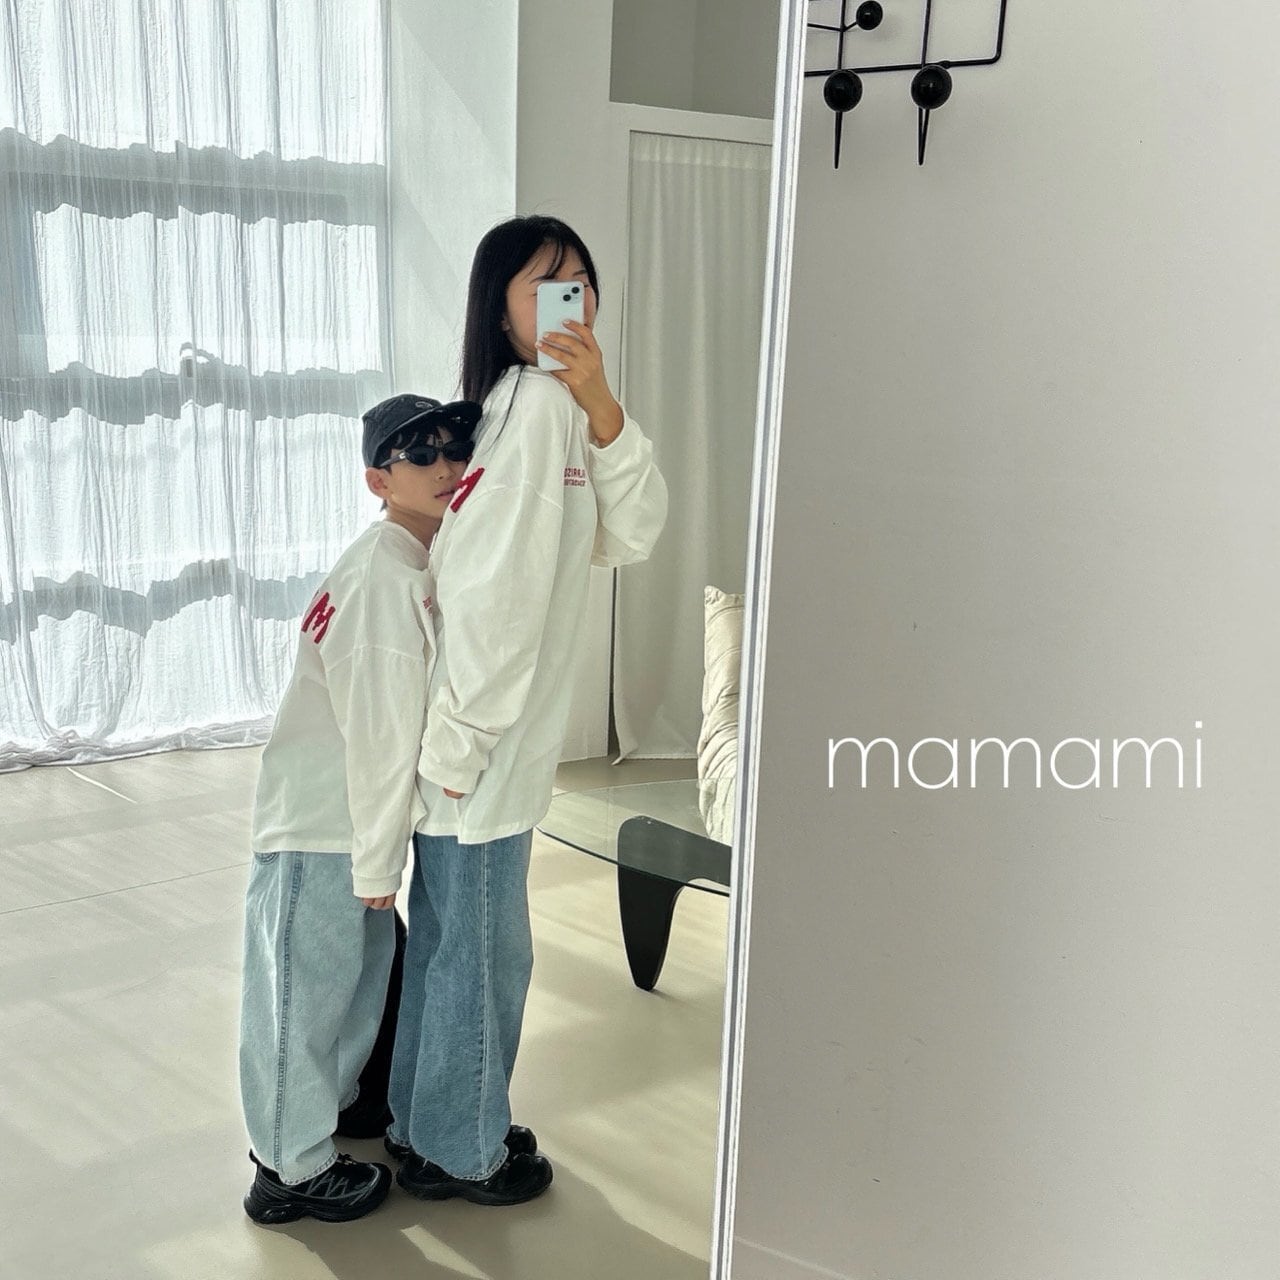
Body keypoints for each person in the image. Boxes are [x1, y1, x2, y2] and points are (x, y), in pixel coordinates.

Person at [386, 216, 669, 1207]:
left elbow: (627, 535)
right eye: (546, 285)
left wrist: (604, 407)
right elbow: (496, 596)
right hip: (480, 742)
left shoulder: (542, 408)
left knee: (452, 941)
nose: (571, 301)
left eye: (581, 282)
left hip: (472, 734)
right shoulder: (531, 412)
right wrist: (462, 747)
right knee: (484, 953)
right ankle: (459, 1147)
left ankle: (423, 1118)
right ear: (500, 310)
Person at [238, 394, 480, 1226]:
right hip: (321, 826)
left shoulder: (403, 561)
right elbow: (380, 735)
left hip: (341, 823)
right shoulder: (385, 577)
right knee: (301, 1004)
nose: (446, 466)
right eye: (421, 455)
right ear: (379, 479)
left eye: (454, 448)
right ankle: (287, 1169)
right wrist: (380, 861)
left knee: (349, 987)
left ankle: (330, 1114)